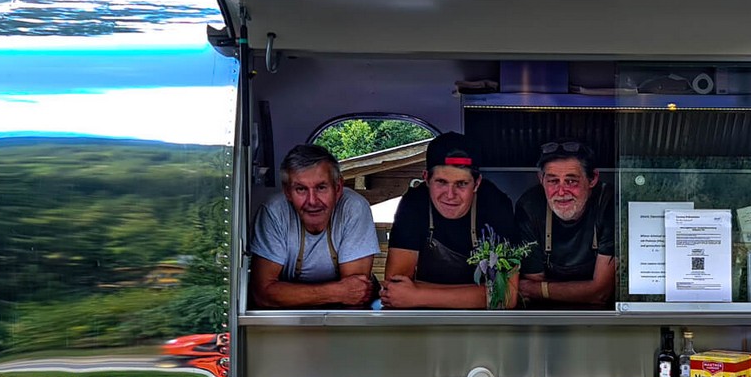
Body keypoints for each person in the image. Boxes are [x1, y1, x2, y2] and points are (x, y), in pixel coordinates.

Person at [380, 132, 518, 309]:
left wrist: (418, 294)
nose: (450, 195)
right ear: (426, 179)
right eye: (441, 182)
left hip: (484, 321)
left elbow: (505, 296)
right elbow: (394, 290)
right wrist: (480, 293)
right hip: (423, 318)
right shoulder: (413, 204)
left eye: (461, 184)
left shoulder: (495, 204)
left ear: (477, 184)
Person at [248, 144, 379, 308]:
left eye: (321, 187)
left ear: (338, 188)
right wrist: (336, 292)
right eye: (301, 189)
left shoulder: (354, 208)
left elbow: (356, 294)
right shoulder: (273, 212)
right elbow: (263, 294)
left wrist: (288, 294)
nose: (312, 201)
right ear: (288, 192)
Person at [516, 140, 615, 308]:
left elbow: (601, 293)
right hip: (549, 316)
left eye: (571, 181)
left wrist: (539, 289)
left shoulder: (609, 204)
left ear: (593, 179)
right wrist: (586, 290)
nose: (561, 192)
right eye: (553, 181)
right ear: (541, 179)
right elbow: (533, 293)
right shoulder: (529, 208)